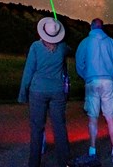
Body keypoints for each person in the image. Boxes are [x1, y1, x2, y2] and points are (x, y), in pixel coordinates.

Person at [18, 17, 71, 167]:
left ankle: (34, 163)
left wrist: (23, 92)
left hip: (38, 91)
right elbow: (68, 49)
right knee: (59, 126)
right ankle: (64, 162)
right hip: (57, 91)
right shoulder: (62, 47)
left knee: (37, 128)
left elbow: (29, 70)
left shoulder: (35, 46)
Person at [75, 18, 113, 164]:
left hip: (92, 82)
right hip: (108, 82)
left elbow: (79, 64)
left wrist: (87, 76)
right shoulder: (111, 42)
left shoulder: (85, 42)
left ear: (91, 27)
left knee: (92, 118)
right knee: (110, 117)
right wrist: (111, 75)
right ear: (102, 27)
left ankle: (92, 150)